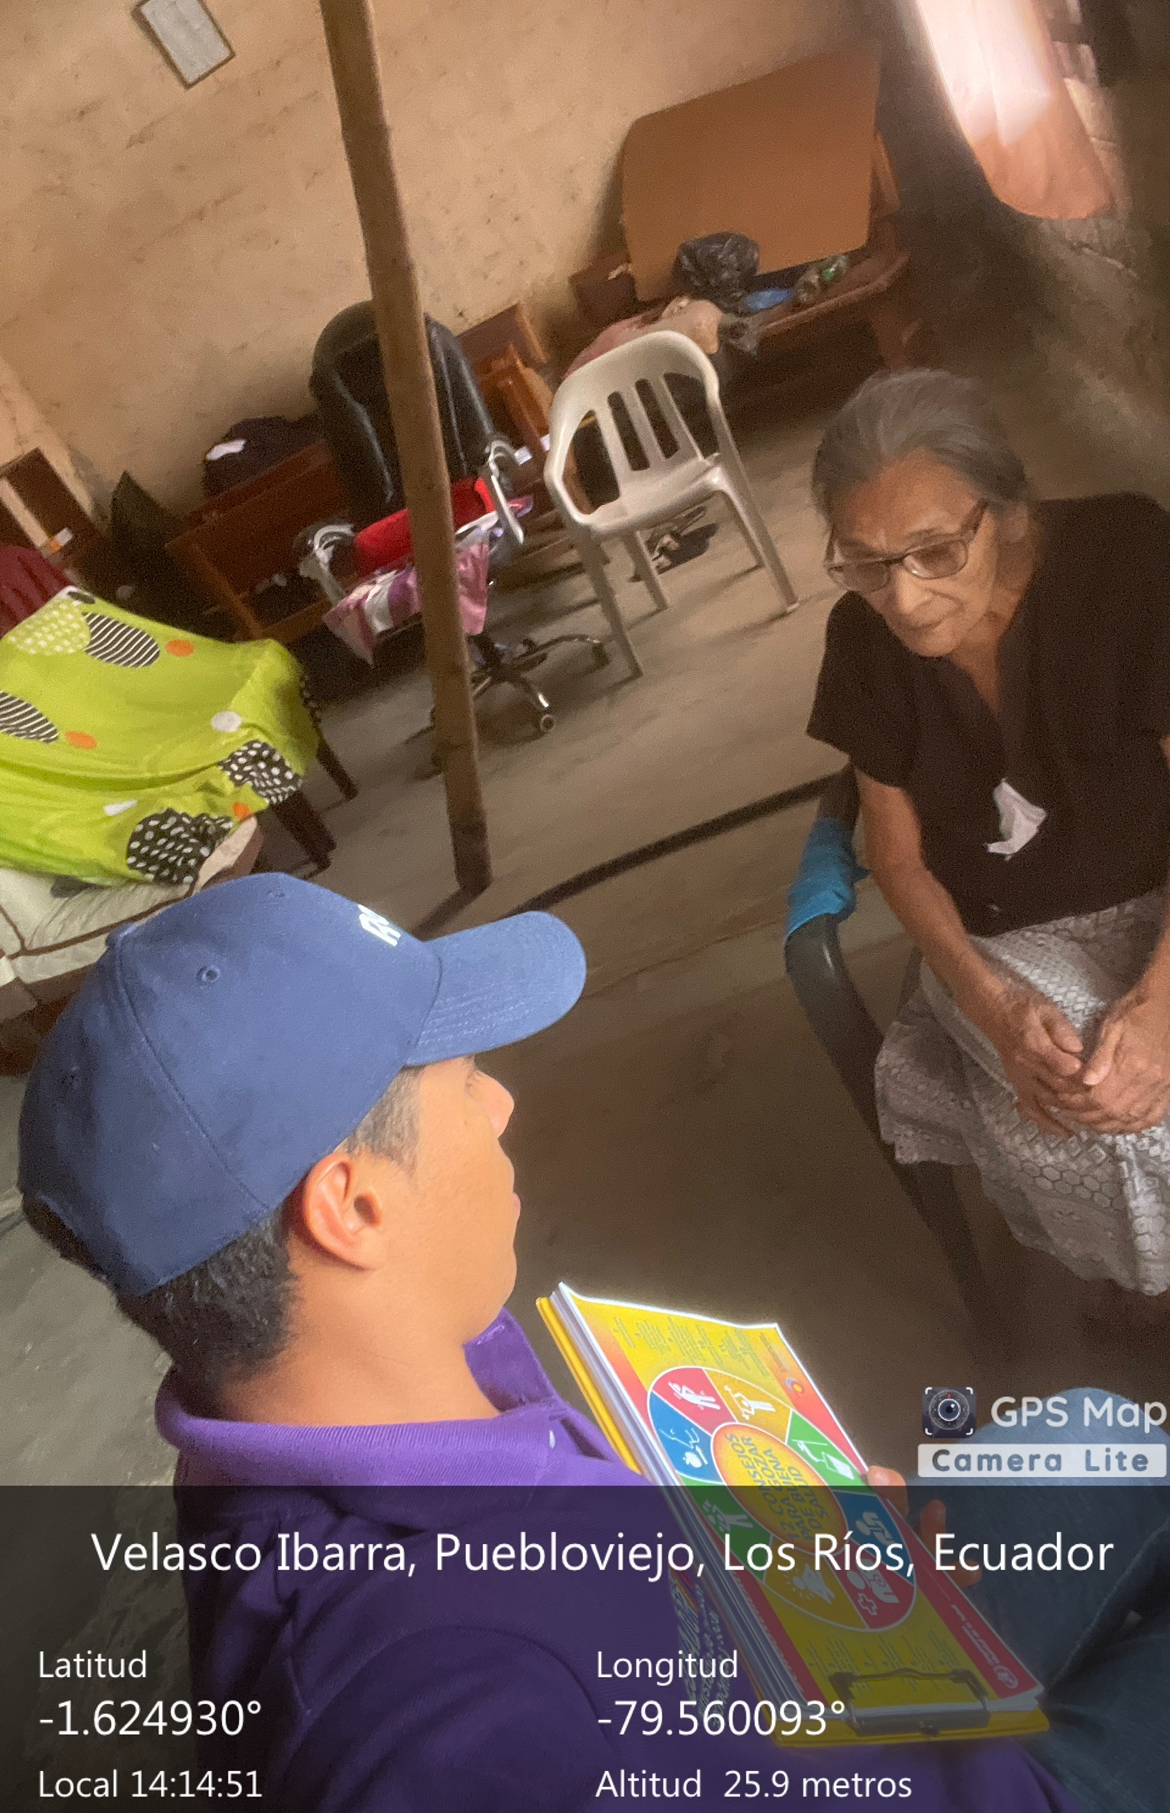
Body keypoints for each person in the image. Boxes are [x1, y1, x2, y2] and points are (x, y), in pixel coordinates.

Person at [17, 875, 1170, 1810]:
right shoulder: (448, 1720)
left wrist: (804, 1593)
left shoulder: (321, 1396)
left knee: (1101, 1433)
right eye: (463, 1080)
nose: (502, 1105)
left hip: (825, 1672)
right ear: (355, 1205)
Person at [807, 367, 1170, 1323]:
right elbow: (899, 859)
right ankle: (1145, 1290)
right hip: (1006, 936)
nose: (904, 598)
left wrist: (1162, 1001)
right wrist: (994, 1005)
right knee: (1096, 1110)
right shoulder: (863, 643)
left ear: (1005, 512)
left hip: (1160, 889)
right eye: (865, 563)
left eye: (935, 551)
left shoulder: (1127, 558)